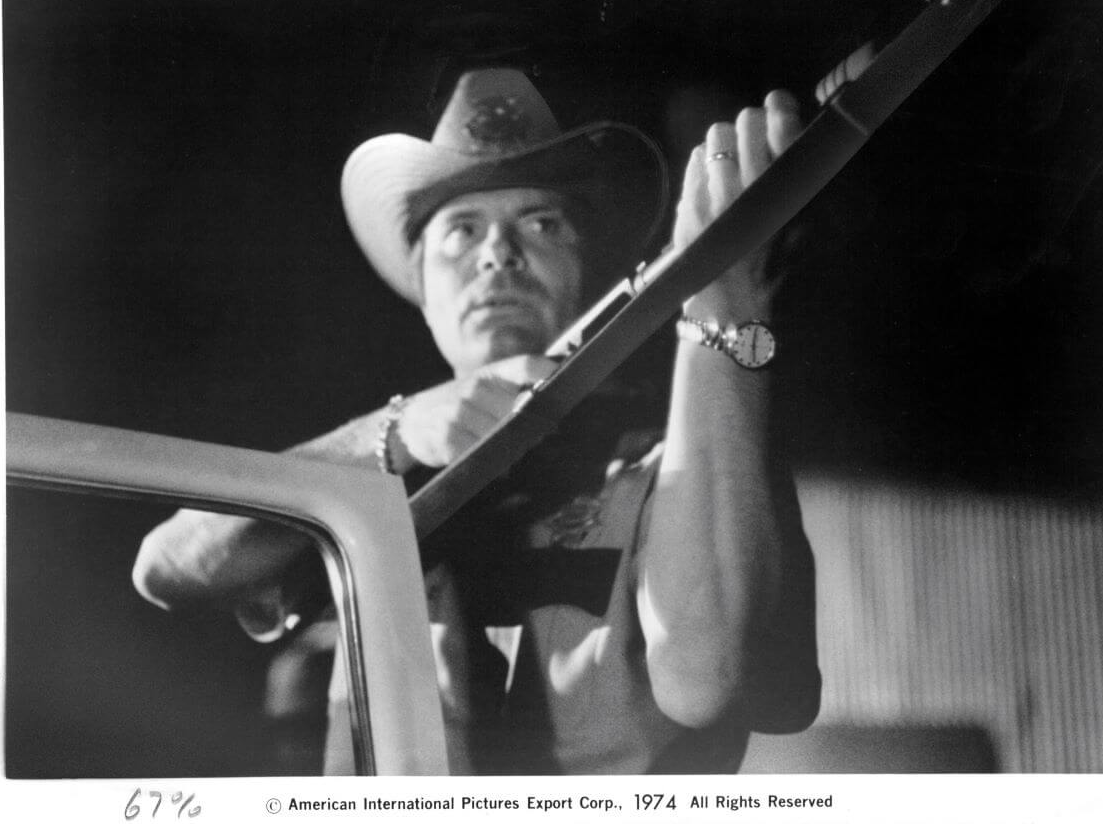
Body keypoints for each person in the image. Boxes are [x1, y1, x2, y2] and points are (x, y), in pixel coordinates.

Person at [133, 67, 820, 775]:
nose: (498, 251)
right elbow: (168, 566)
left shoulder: (684, 454)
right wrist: (391, 433)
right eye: (462, 228)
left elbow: (714, 675)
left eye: (541, 222)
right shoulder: (369, 482)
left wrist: (725, 306)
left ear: (583, 268)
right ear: (424, 290)